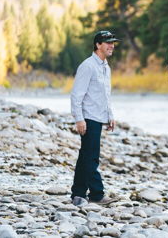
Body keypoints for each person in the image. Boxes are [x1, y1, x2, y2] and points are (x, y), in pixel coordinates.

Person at [70, 30, 120, 206]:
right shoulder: (88, 66)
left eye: (113, 42)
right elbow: (76, 95)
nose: (111, 45)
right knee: (91, 157)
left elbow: (105, 94)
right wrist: (79, 119)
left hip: (99, 117)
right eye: (108, 42)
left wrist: (110, 115)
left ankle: (78, 193)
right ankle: (97, 194)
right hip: (89, 117)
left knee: (86, 156)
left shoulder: (106, 66)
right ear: (98, 45)